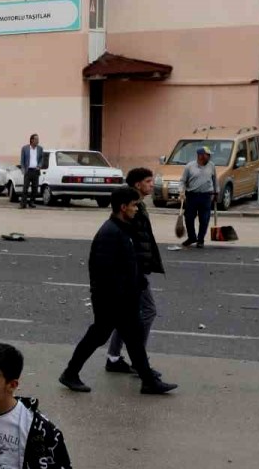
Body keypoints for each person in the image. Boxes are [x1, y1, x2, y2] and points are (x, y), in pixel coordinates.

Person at [58, 187, 178, 395]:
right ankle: (70, 373)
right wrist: (121, 297)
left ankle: (148, 380)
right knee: (99, 336)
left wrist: (138, 282)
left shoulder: (122, 228)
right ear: (123, 207)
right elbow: (103, 272)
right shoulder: (110, 233)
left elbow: (128, 263)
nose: (136, 210)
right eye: (133, 206)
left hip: (124, 298)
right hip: (112, 300)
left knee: (133, 339)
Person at [104, 168, 164, 374]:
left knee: (125, 315)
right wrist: (136, 271)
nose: (151, 184)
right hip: (133, 271)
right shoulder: (130, 206)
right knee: (147, 311)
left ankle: (113, 357)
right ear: (138, 184)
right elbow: (130, 241)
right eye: (148, 181)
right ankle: (139, 361)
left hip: (137, 269)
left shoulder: (138, 205)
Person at [180, 146, 217, 249]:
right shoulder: (189, 167)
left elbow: (215, 180)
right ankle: (192, 237)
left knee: (204, 219)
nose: (209, 157)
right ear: (200, 156)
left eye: (209, 155)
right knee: (189, 218)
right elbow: (182, 181)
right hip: (192, 196)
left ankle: (200, 240)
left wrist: (216, 192)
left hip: (206, 196)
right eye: (207, 155)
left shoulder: (211, 166)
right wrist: (181, 191)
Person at [18, 134, 43, 209]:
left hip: (36, 171)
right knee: (25, 188)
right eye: (36, 139)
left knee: (35, 189)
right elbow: (22, 160)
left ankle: (31, 202)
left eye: (38, 139)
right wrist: (23, 169)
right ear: (32, 140)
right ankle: (23, 204)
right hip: (28, 171)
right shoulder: (25, 148)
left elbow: (41, 159)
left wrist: (39, 166)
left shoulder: (40, 149)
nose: (38, 141)